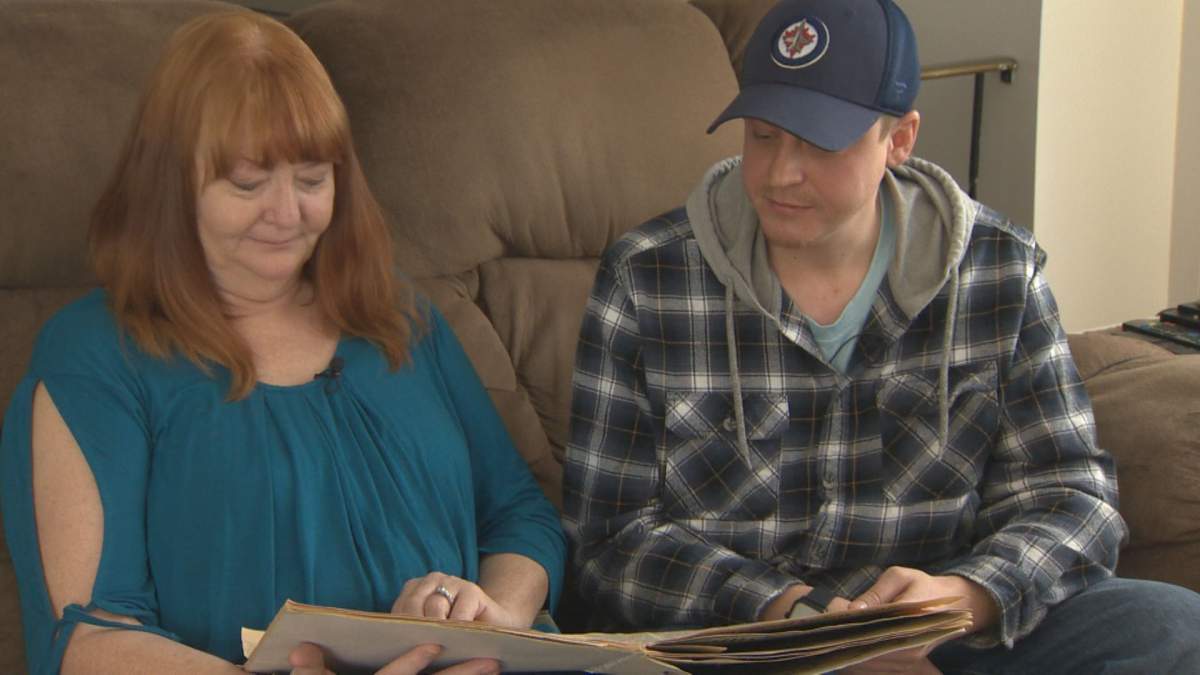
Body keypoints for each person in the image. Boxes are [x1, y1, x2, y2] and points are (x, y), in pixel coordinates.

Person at [562, 0, 1200, 671]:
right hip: (739, 641)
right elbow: (609, 542)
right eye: (764, 135)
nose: (780, 173)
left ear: (899, 139)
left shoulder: (999, 273)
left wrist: (963, 598)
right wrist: (801, 622)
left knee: (1174, 625)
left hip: (944, 632)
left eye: (818, 142)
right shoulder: (646, 279)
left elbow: (1074, 499)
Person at [0, 10, 565, 675]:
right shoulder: (95, 356)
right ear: (172, 183)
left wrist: (496, 619)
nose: (288, 214)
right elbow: (90, 638)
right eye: (248, 183)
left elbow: (519, 514)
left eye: (312, 178)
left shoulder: (398, 314)